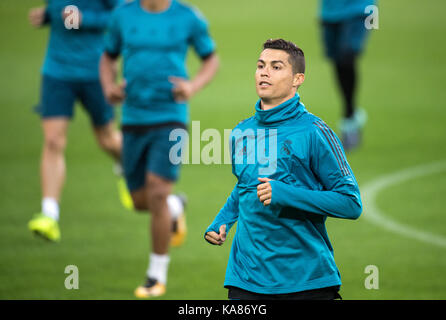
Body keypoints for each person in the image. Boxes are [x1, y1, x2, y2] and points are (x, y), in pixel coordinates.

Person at [205, 39, 362, 300]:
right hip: (246, 280)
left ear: (297, 79)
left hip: (306, 281)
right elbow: (246, 186)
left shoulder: (314, 132)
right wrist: (223, 220)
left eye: (276, 67)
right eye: (260, 65)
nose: (264, 72)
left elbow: (350, 203)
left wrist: (284, 193)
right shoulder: (241, 132)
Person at [100, 0, 219, 298]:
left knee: (156, 192)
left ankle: (156, 276)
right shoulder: (122, 15)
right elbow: (107, 56)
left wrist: (192, 87)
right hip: (133, 119)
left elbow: (211, 59)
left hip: (171, 118)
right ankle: (176, 207)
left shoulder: (187, 17)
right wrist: (108, 86)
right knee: (141, 201)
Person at [27, 0, 129, 243]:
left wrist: (85, 19)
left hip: (95, 72)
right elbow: (61, 10)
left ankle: (127, 168)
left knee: (107, 139)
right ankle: (49, 215)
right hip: (56, 71)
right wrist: (49, 16)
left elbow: (123, 16)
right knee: (53, 140)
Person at [319, 0, 375, 151]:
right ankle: (352, 114)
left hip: (362, 9)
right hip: (329, 10)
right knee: (337, 61)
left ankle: (349, 117)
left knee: (347, 56)